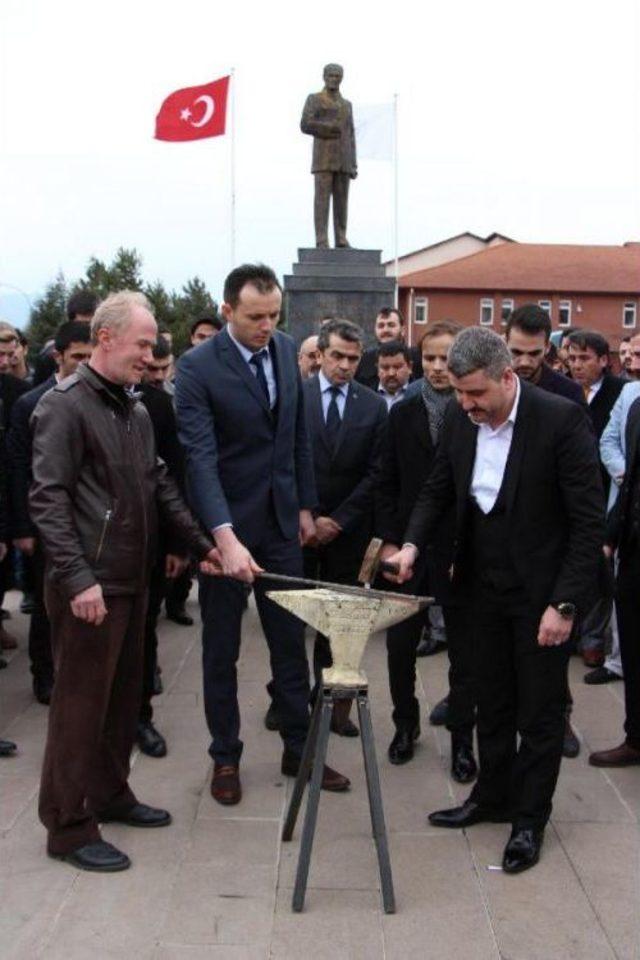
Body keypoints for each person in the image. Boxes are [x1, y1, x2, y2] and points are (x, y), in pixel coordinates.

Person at [385, 327, 604, 874]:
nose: (465, 405)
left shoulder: (560, 419)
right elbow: (437, 487)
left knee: (539, 709)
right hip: (476, 587)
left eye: (476, 394)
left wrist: (567, 605)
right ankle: (491, 796)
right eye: (459, 394)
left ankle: (529, 820)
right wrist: (411, 545)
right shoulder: (463, 419)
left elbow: (586, 522)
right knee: (490, 699)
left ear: (508, 377)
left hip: (540, 595)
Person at [29, 291, 217, 873]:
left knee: (122, 700)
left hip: (131, 580)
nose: (152, 353)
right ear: (105, 339)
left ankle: (110, 794)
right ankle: (66, 825)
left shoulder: (134, 409)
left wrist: (202, 547)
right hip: (89, 587)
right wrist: (78, 577)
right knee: (79, 708)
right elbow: (48, 499)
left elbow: (159, 486)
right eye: (143, 343)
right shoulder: (64, 406)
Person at [175, 263, 350, 806]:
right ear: (228, 310)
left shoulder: (286, 349)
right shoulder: (197, 368)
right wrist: (223, 538)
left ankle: (299, 749)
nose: (266, 326)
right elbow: (199, 461)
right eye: (255, 317)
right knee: (221, 649)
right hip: (224, 531)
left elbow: (294, 435)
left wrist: (303, 505)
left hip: (279, 527)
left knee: (289, 645)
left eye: (274, 315)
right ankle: (225, 756)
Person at [376, 321, 478, 781]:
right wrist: (391, 543)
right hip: (407, 550)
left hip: (460, 550)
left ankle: (461, 738)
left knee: (465, 649)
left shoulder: (475, 413)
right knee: (400, 645)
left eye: (447, 358)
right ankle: (405, 724)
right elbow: (387, 482)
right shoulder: (402, 413)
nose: (439, 367)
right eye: (431, 358)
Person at [300, 318, 386, 733]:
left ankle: (332, 704)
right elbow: (285, 462)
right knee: (291, 617)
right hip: (299, 527)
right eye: (337, 356)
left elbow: (377, 471)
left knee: (339, 623)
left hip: (348, 531)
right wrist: (310, 514)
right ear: (320, 354)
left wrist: (339, 520)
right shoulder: (295, 398)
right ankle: (288, 700)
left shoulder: (372, 405)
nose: (346, 365)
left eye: (353, 358)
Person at [7, 321, 92, 704]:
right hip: (47, 526)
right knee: (47, 605)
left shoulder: (105, 398)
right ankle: (45, 674)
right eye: (78, 357)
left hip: (92, 525)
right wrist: (23, 527)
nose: (85, 364)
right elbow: (19, 470)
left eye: (92, 357)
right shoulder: (31, 404)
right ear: (58, 356)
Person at [567, 330, 624, 669]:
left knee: (600, 567)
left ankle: (592, 640)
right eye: (572, 358)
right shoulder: (566, 391)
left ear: (604, 361)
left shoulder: (619, 393)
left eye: (584, 358)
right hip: (572, 489)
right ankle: (574, 633)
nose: (577, 365)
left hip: (607, 491)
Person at [589, 393, 640, 768]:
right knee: (634, 648)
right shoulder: (638, 408)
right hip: (635, 551)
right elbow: (631, 480)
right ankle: (636, 737)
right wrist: (610, 538)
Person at [300, 63, 357, 249]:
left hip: (344, 160)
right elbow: (305, 124)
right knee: (322, 201)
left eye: (337, 76)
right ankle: (322, 239)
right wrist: (328, 128)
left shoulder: (347, 105)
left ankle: (341, 237)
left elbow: (351, 134)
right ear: (324, 77)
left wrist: (353, 163)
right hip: (323, 159)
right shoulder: (315, 99)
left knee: (342, 202)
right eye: (331, 75)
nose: (334, 79)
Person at [505, 305, 584, 404]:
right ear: (506, 343)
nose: (524, 362)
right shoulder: (490, 386)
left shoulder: (570, 393)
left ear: (547, 347)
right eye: (517, 352)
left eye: (534, 353)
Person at [32, 290, 98, 386]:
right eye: (82, 324)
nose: (86, 329)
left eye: (92, 325)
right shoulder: (48, 357)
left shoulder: (110, 352)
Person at [355, 308, 422, 388]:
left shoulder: (417, 358)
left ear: (403, 330)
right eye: (381, 326)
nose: (385, 330)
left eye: (391, 325)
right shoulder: (365, 360)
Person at [376, 341, 413, 409]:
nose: (391, 373)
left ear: (410, 367)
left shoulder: (421, 395)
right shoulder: (364, 396)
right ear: (377, 368)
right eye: (385, 368)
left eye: (397, 367)